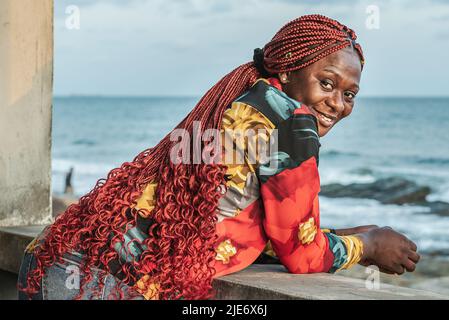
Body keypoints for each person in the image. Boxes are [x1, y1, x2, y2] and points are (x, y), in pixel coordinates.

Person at [18, 14, 420, 300]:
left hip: (58, 259)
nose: (336, 103)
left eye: (349, 94)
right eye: (326, 83)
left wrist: (343, 232)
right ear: (288, 70)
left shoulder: (240, 103)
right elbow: (299, 256)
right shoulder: (293, 127)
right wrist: (366, 245)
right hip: (102, 283)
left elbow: (239, 218)